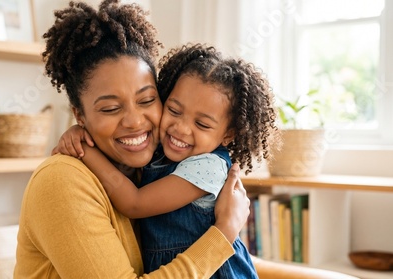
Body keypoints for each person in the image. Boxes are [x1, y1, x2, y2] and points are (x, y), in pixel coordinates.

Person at [14, 1, 251, 278]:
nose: (135, 121)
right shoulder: (61, 180)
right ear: (80, 115)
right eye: (111, 108)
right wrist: (223, 233)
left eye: (147, 100)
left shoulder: (151, 165)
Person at [55, 44, 279, 278]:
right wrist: (81, 131)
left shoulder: (207, 166)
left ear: (228, 134)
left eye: (202, 124)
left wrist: (85, 150)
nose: (180, 129)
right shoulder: (159, 149)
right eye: (173, 110)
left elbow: (134, 203)